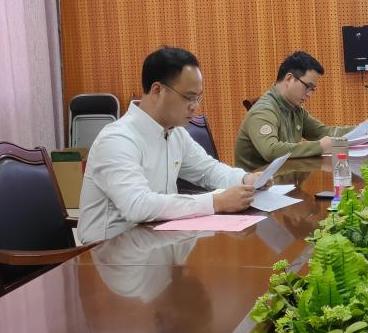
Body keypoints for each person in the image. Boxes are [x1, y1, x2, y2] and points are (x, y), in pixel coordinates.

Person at [79, 47, 260, 244]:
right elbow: (138, 206)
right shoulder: (117, 139)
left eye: (198, 97)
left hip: (157, 240)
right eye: (189, 97)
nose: (195, 106)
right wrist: (216, 202)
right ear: (157, 90)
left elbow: (207, 170)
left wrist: (245, 179)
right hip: (111, 250)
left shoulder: (175, 133)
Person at [234, 51, 368, 168]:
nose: (309, 94)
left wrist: (362, 130)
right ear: (289, 79)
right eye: (307, 87)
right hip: (258, 189)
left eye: (313, 89)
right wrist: (319, 146)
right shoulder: (263, 110)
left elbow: (323, 132)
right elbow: (271, 150)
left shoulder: (295, 108)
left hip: (283, 180)